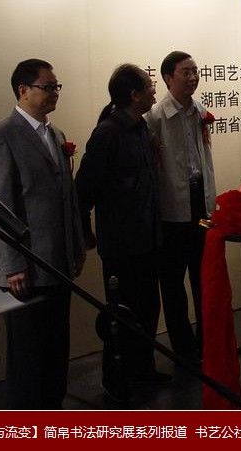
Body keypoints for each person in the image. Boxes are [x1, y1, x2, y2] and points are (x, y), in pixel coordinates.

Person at [0, 58, 86, 409]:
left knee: (56, 352)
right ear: (23, 90)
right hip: (25, 269)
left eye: (57, 86)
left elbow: (67, 199)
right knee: (28, 357)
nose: (55, 93)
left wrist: (76, 246)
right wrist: (12, 265)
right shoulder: (0, 136)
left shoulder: (56, 134)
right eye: (47, 87)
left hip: (58, 263)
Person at [75, 64, 169, 402]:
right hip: (122, 242)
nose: (154, 91)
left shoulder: (140, 127)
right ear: (134, 94)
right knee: (121, 315)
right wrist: (85, 230)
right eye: (149, 86)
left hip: (148, 237)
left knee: (147, 309)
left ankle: (142, 369)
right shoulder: (108, 133)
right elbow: (84, 188)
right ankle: (115, 379)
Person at [145, 51, 215, 364]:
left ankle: (209, 339)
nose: (193, 77)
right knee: (173, 281)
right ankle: (184, 346)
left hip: (200, 207)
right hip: (172, 211)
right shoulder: (155, 117)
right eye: (185, 72)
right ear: (167, 77)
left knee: (204, 274)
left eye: (195, 71)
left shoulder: (199, 110)